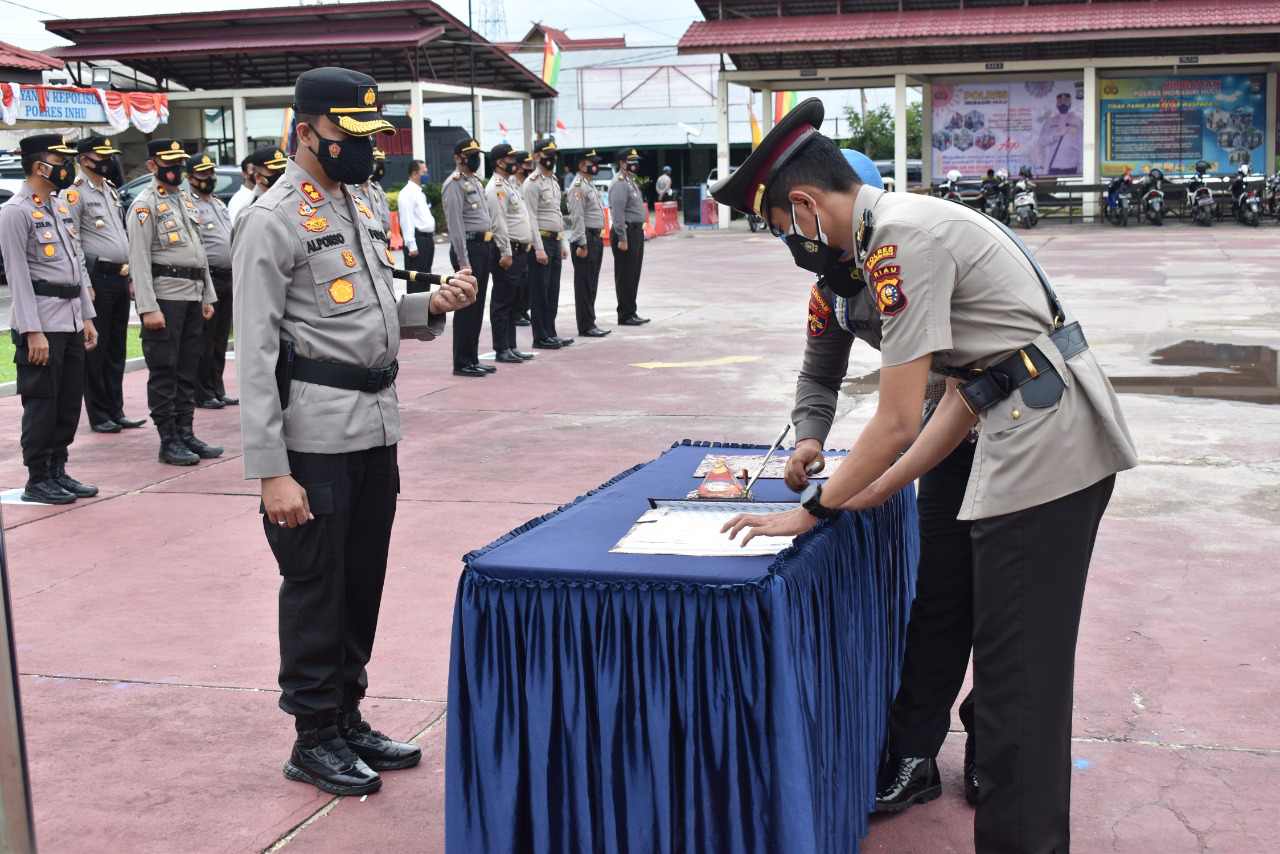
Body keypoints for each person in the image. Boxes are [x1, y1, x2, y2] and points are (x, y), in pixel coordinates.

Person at [714, 99, 1137, 854]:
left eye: (779, 225)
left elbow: (897, 419)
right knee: (970, 629)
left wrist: (814, 510)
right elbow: (961, 395)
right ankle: (929, 760)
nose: (785, 240)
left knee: (1019, 692)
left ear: (805, 205)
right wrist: (863, 492)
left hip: (1045, 444)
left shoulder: (899, 244)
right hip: (1001, 413)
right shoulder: (883, 243)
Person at [233, 66, 476, 798]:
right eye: (352, 135)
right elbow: (258, 351)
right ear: (306, 132)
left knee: (362, 579)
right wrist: (271, 468)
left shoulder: (357, 200)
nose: (368, 149)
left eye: (374, 135)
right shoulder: (271, 218)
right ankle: (312, 737)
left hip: (375, 425)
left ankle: (346, 716)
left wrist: (428, 302)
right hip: (313, 436)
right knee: (317, 585)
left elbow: (362, 305)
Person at [792, 148, 982, 815]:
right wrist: (811, 437)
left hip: (1010, 433)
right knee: (939, 598)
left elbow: (897, 419)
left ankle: (992, 740)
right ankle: (915, 753)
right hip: (944, 439)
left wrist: (835, 498)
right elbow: (819, 374)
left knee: (1005, 604)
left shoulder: (910, 256)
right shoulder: (831, 295)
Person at [0, 134, 99, 504]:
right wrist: (32, 331)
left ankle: (59, 469)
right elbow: (18, 276)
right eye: (61, 159)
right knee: (42, 403)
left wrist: (87, 317)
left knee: (69, 402)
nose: (67, 166)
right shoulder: (15, 211)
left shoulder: (56, 206)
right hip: (42, 324)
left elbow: (76, 265)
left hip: (71, 320)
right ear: (41, 166)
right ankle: (38, 477)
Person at [126, 138, 221, 466]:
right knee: (165, 369)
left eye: (179, 163)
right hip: (165, 298)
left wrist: (207, 294)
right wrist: (147, 307)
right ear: (153, 165)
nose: (176, 170)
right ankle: (168, 439)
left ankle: (186, 431)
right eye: (169, 164)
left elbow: (200, 253)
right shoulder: (144, 204)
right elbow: (138, 259)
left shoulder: (185, 200)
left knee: (188, 368)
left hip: (192, 294)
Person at [67, 134, 144, 433]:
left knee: (116, 348)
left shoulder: (109, 189)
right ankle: (99, 414)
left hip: (119, 276)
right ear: (85, 159)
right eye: (102, 157)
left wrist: (132, 275)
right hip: (96, 278)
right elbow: (73, 244)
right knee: (96, 351)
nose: (109, 161)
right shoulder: (74, 194)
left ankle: (116, 408)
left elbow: (121, 236)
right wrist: (85, 284)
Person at [187, 152, 237, 409]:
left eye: (211, 173)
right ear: (190, 177)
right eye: (203, 173)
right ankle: (203, 391)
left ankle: (217, 388)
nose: (210, 178)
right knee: (204, 340)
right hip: (210, 278)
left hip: (228, 277)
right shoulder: (189, 204)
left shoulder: (217, 203)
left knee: (219, 338)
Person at [441, 137, 494, 377]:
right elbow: (456, 226)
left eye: (476, 154)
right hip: (469, 249)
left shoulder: (475, 181)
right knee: (466, 305)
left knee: (477, 305)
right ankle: (461, 362)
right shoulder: (454, 184)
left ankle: (472, 357)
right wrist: (463, 261)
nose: (475, 158)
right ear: (458, 158)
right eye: (469, 154)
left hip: (483, 247)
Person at [484, 143, 536, 365]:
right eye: (510, 158)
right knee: (502, 302)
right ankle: (501, 348)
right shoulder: (496, 187)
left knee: (513, 301)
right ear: (499, 162)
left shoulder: (509, 185)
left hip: (519, 251)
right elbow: (499, 223)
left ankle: (511, 346)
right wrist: (505, 252)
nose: (515, 162)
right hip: (508, 252)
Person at [522, 138, 573, 350]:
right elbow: (530, 217)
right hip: (541, 241)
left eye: (553, 155)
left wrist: (563, 243)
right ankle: (540, 336)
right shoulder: (531, 183)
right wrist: (538, 247)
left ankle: (551, 332)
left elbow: (558, 213)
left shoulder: (553, 181)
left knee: (552, 290)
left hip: (554, 239)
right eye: (546, 155)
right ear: (536, 156)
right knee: (540, 292)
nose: (550, 159)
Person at [566, 149, 609, 338]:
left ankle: (590, 322)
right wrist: (582, 244)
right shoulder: (578, 186)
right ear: (582, 165)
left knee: (591, 282)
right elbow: (577, 217)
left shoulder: (588, 185)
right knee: (584, 285)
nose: (595, 165)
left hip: (594, 238)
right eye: (591, 162)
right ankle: (585, 325)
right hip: (585, 239)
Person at [609, 147, 649, 326]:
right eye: (631, 161)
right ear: (622, 163)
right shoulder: (619, 183)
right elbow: (617, 214)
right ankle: (624, 314)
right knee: (625, 275)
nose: (635, 164)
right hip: (626, 233)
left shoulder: (630, 182)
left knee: (633, 274)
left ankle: (631, 311)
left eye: (636, 161)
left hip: (636, 232)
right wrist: (622, 238)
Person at [397, 159, 435, 290]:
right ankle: (415, 310)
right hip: (417, 243)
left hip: (427, 240)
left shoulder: (420, 191)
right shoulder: (406, 193)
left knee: (426, 281)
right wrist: (411, 245)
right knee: (416, 284)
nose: (426, 175)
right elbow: (406, 220)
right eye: (424, 172)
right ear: (414, 173)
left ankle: (423, 310)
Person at [1033, 92, 1083, 177]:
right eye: (1060, 101)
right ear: (1056, 104)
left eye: (1066, 101)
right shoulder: (1050, 121)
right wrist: (1055, 136)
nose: (1063, 103)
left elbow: (1082, 144)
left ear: (1070, 103)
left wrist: (1081, 166)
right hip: (1053, 167)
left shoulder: (1077, 121)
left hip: (1072, 167)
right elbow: (1041, 141)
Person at [511, 150, 533, 327]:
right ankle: (516, 311)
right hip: (514, 238)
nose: (529, 167)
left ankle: (523, 309)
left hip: (528, 236)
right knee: (517, 278)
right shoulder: (510, 184)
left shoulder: (529, 183)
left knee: (527, 278)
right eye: (526, 164)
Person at [363, 146, 393, 234]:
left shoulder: (377, 186)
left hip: (383, 234)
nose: (381, 169)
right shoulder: (360, 187)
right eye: (379, 164)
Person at [228, 154, 256, 224]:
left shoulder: (262, 194)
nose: (256, 173)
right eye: (252, 170)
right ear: (244, 174)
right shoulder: (238, 200)